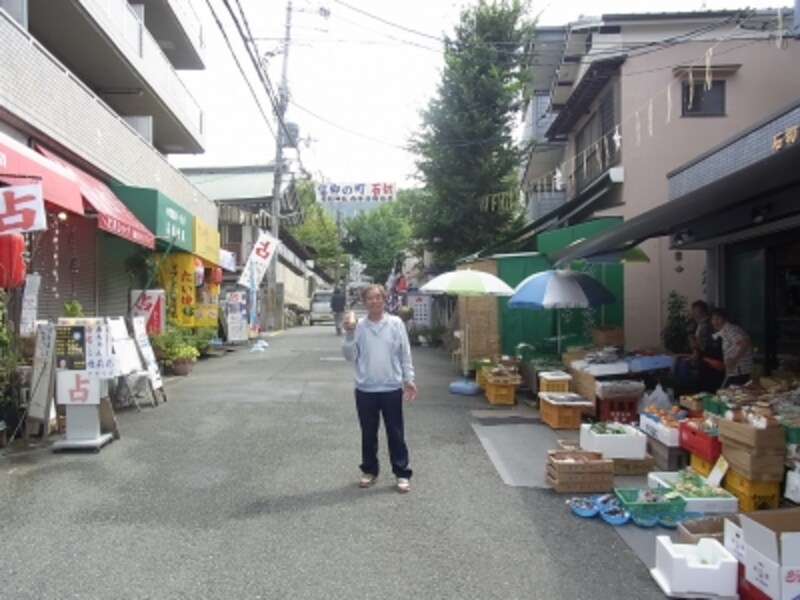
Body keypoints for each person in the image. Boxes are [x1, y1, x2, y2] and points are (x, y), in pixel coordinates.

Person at [342, 283, 417, 493]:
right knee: (368, 433)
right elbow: (350, 356)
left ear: (384, 300)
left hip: (391, 387)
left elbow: (405, 354)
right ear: (364, 303)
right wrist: (348, 335)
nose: (375, 301)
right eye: (370, 298)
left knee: (396, 433)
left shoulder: (395, 324)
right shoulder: (359, 326)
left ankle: (402, 473)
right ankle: (369, 471)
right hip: (365, 389)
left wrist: (408, 379)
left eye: (378, 297)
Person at [710, 308, 753, 387]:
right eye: (713, 319)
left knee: (729, 395)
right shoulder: (726, 331)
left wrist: (734, 359)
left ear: (725, 319)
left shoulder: (731, 330)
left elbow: (745, 343)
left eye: (718, 319)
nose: (715, 322)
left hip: (739, 370)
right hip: (735, 371)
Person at [688, 300, 724, 392]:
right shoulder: (701, 325)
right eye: (693, 312)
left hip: (710, 361)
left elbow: (705, 346)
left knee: (707, 387)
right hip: (709, 360)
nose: (694, 314)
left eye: (696, 312)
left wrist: (694, 344)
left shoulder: (706, 326)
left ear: (704, 312)